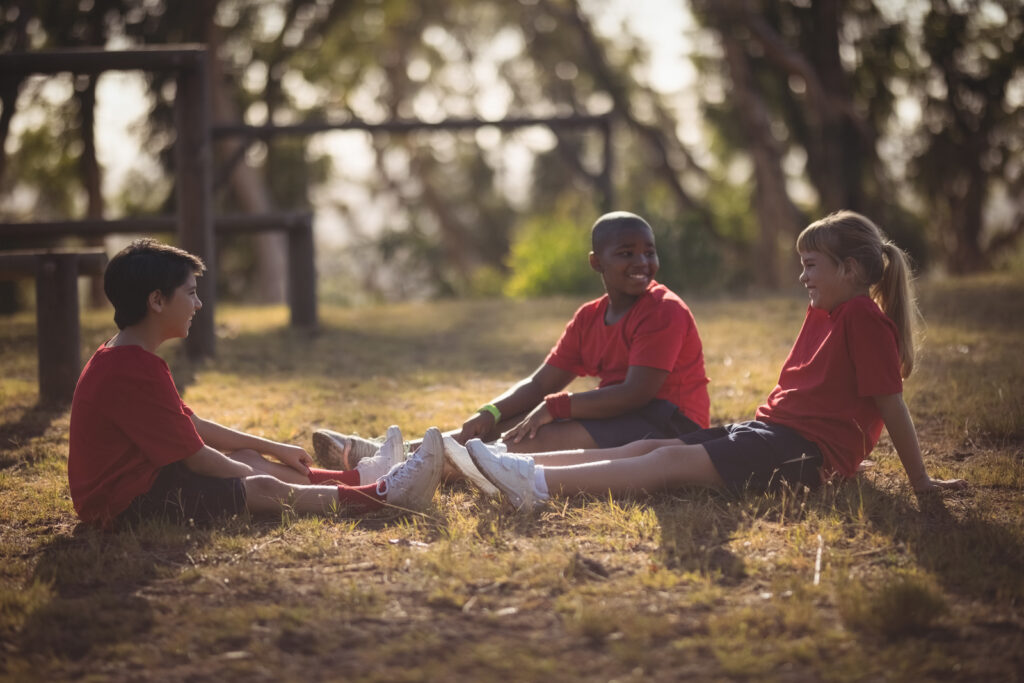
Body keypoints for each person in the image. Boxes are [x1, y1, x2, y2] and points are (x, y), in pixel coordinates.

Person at [463, 211, 969, 510]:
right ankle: (515, 464)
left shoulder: (860, 316)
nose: (803, 278)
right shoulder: (833, 312)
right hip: (775, 435)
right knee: (651, 445)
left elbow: (892, 406)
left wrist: (921, 484)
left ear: (850, 268)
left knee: (666, 461)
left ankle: (533, 483)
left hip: (805, 455)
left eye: (811, 266)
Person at [67, 238, 444, 529]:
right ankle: (382, 497)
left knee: (247, 459)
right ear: (157, 301)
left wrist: (272, 448)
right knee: (261, 488)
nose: (198, 305)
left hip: (145, 481)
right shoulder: (130, 371)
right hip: (125, 505)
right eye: (192, 293)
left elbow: (191, 426)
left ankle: (359, 477)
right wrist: (258, 475)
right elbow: (197, 457)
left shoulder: (128, 358)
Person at [312, 211, 711, 472]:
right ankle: (381, 451)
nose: (641, 262)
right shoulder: (591, 316)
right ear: (596, 262)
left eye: (649, 252)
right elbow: (541, 383)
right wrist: (490, 412)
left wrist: (554, 409)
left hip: (669, 423)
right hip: (622, 415)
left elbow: (638, 395)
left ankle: (389, 467)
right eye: (626, 253)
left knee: (526, 439)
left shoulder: (664, 310)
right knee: (504, 428)